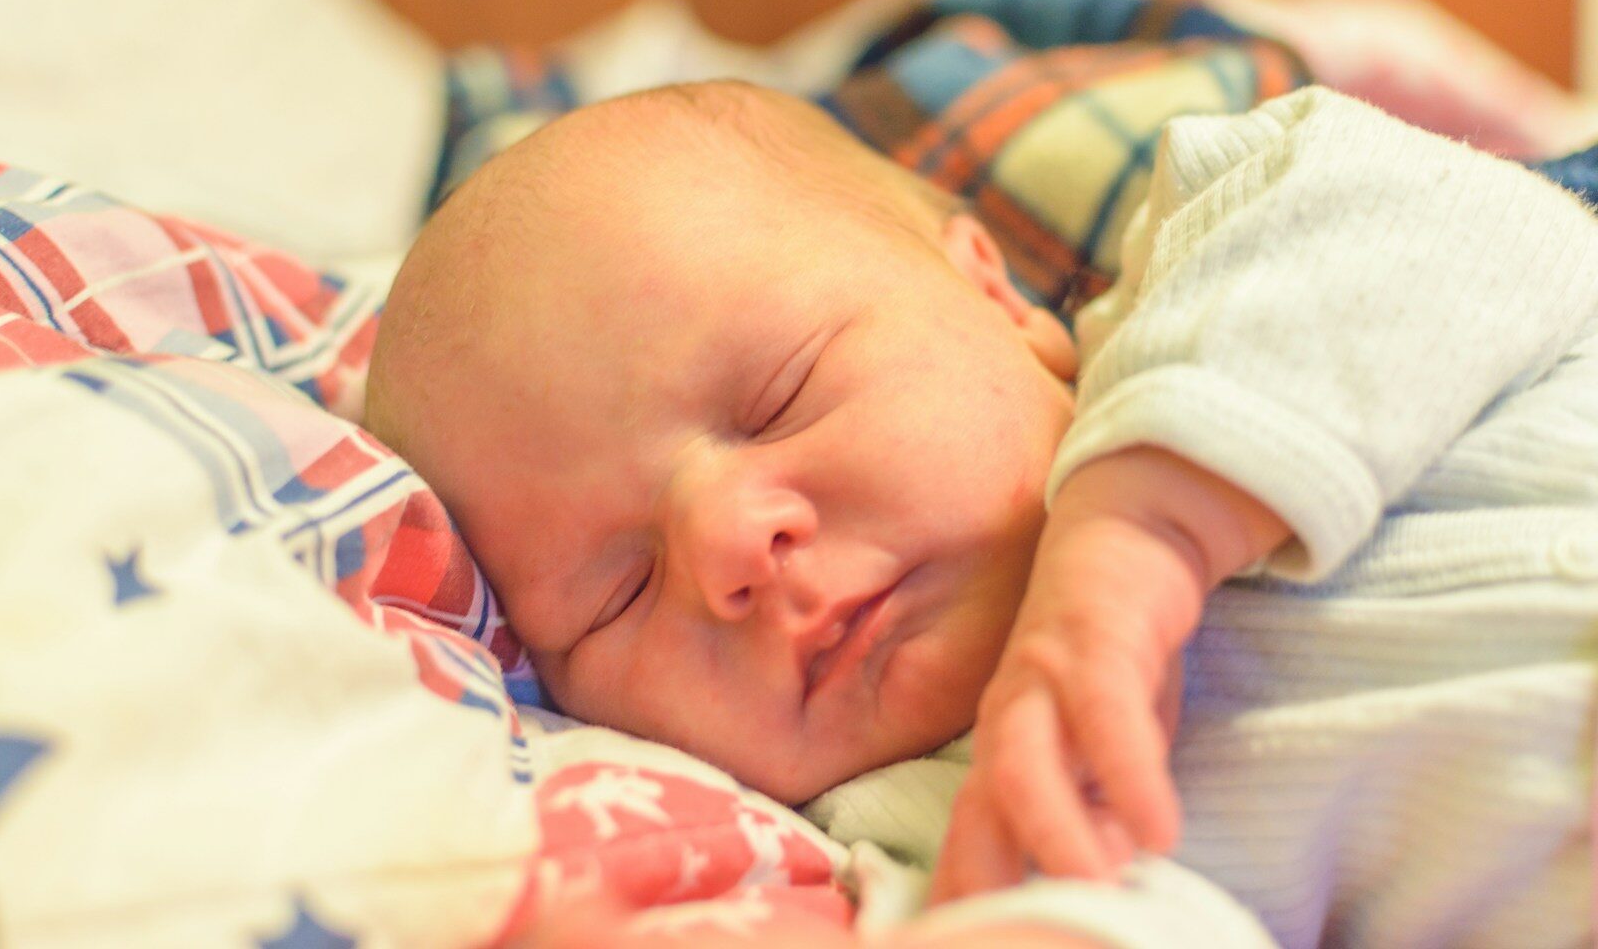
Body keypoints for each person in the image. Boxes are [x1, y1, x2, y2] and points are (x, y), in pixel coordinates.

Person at [364, 80, 1597, 948]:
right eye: (615, 592)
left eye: (780, 394)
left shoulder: (1220, 254)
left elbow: (1484, 236)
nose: (732, 544)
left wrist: (1141, 531)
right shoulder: (921, 824)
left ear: (994, 297)